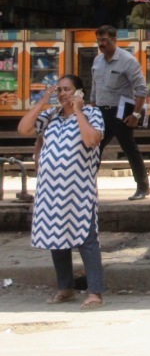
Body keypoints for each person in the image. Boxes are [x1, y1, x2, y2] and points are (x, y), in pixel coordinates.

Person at [18, 75, 105, 310]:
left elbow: (91, 140)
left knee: (87, 239)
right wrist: (43, 99)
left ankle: (95, 292)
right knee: (57, 237)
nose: (63, 94)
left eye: (68, 90)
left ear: (80, 93)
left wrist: (78, 111)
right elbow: (24, 128)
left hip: (79, 188)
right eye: (60, 90)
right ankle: (65, 287)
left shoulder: (92, 114)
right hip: (50, 189)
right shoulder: (50, 116)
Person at [92, 25, 150, 200]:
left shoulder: (127, 60)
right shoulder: (97, 61)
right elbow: (95, 88)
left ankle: (143, 187)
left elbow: (141, 89)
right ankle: (87, 186)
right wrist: (92, 110)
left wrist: (136, 115)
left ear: (115, 39)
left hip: (121, 112)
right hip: (100, 111)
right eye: (99, 40)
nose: (102, 44)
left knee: (129, 148)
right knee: (94, 148)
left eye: (105, 40)